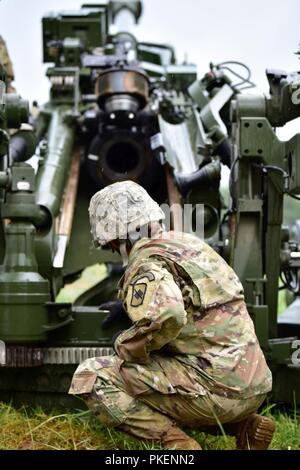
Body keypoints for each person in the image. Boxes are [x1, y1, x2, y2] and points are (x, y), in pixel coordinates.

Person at [69, 180, 275, 450]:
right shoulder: (188, 245)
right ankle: (245, 427)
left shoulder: (145, 261)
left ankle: (178, 446)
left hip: (216, 392)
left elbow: (168, 314)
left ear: (114, 234)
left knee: (93, 377)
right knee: (163, 378)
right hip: (252, 385)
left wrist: (128, 346)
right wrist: (129, 305)